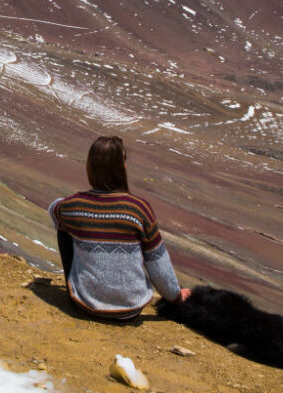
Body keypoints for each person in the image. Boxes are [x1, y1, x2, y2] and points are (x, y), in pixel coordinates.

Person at [49, 135, 191, 320]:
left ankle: (84, 286)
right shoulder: (139, 209)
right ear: (120, 167)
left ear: (90, 166)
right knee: (147, 246)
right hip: (131, 310)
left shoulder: (74, 206)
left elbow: (53, 209)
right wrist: (176, 295)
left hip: (85, 305)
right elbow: (158, 264)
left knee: (64, 228)